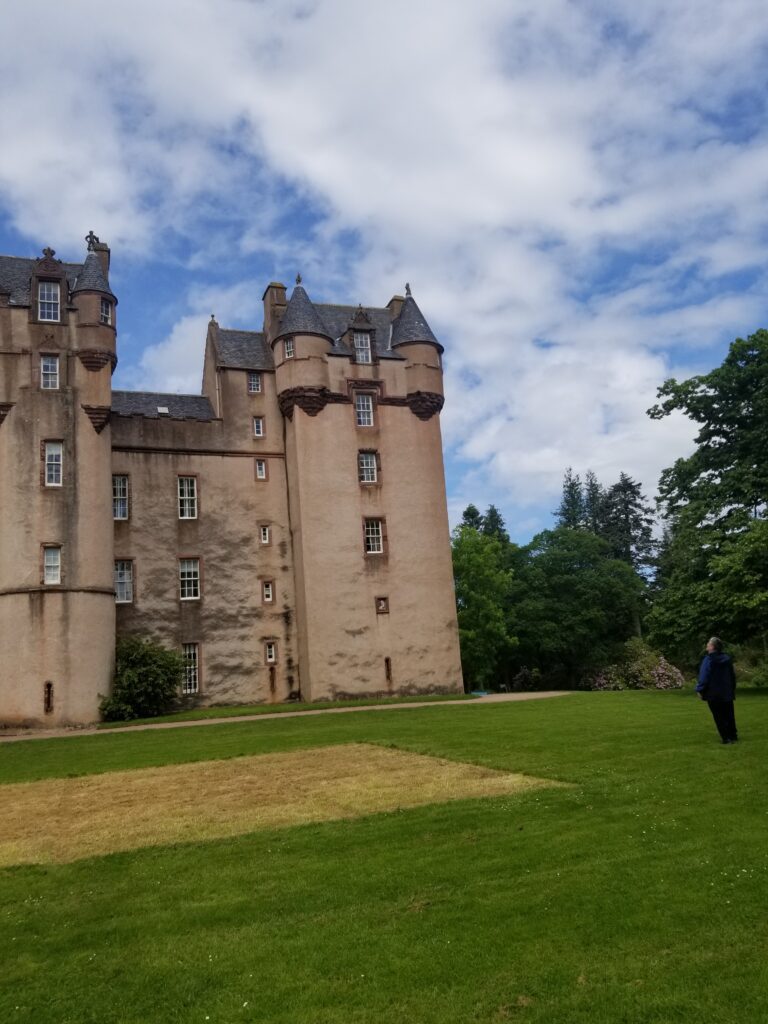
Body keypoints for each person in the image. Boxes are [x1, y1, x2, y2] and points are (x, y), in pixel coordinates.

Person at [695, 637, 738, 744]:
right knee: (729, 714)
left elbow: (704, 676)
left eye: (708, 643)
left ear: (713, 646)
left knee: (718, 716)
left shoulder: (708, 660)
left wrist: (699, 689)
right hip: (726, 692)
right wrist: (732, 688)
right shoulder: (727, 659)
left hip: (713, 693)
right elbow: (732, 676)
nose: (707, 645)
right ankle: (733, 735)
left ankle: (726, 738)